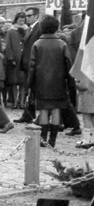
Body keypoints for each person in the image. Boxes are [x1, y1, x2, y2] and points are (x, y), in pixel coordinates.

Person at [26, 15, 74, 147]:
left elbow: (32, 67)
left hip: (41, 83)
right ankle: (52, 140)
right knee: (56, 110)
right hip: (58, 83)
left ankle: (43, 138)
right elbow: (68, 65)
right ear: (56, 27)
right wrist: (70, 84)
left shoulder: (37, 44)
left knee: (43, 111)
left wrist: (29, 85)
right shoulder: (62, 44)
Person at [4, 12, 27, 109]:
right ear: (16, 19)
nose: (22, 22)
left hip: (24, 59)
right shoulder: (11, 31)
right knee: (14, 81)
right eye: (20, 20)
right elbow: (8, 45)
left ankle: (22, 102)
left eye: (23, 20)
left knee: (23, 82)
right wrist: (10, 58)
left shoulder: (27, 29)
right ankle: (14, 101)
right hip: (15, 59)